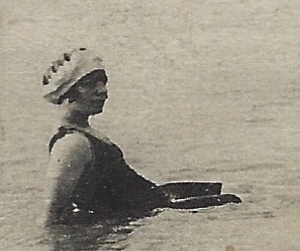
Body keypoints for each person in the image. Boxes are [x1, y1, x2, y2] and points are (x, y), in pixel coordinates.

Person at [42, 49, 240, 224]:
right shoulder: (71, 144)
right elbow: (50, 214)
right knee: (234, 201)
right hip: (148, 208)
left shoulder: (83, 131)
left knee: (231, 189)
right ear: (67, 92)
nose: (103, 91)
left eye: (103, 82)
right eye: (91, 84)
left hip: (154, 197)